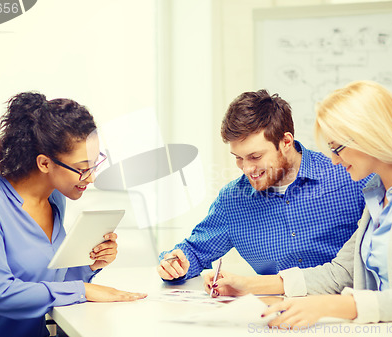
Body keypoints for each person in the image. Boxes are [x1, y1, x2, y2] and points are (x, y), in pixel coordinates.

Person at [204, 81, 392, 336]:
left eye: (337, 148)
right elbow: (340, 273)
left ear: (371, 136)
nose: (334, 160)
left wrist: (325, 305)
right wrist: (247, 285)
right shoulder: (377, 194)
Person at [0, 92, 147, 337]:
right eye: (81, 169)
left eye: (94, 164)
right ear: (45, 163)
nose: (91, 178)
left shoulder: (55, 198)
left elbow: (48, 278)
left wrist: (89, 265)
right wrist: (84, 290)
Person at [157, 89, 369, 282]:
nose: (247, 168)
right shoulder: (233, 200)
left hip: (347, 313)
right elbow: (193, 252)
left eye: (255, 156)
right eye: (238, 158)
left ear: (286, 142)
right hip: (276, 314)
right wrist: (174, 265)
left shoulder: (350, 176)